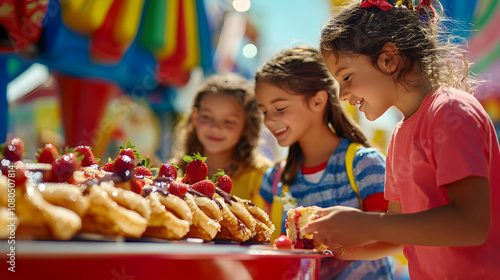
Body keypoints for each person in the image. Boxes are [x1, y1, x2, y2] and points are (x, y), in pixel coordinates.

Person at [302, 0, 500, 279]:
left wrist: (364, 223)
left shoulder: (450, 112)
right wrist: (331, 245)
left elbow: (471, 224)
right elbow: (396, 234)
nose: (342, 94)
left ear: (388, 59)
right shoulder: (400, 134)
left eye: (346, 76)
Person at [255, 45, 394, 280]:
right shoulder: (273, 179)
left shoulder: (363, 165)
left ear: (318, 101)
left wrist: (340, 250)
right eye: (263, 111)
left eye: (280, 108)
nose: (269, 120)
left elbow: (395, 239)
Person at [171, 73, 272, 207]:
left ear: (246, 126)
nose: (216, 127)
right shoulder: (175, 172)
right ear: (195, 117)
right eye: (207, 116)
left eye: (229, 121)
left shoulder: (263, 177)